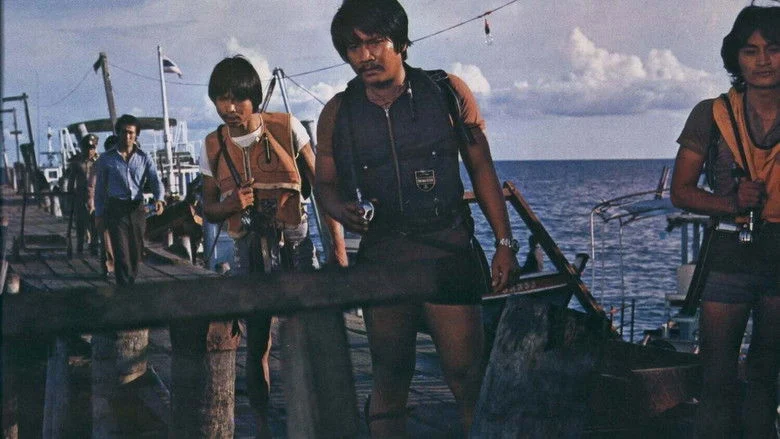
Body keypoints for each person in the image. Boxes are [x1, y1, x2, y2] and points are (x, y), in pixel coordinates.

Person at [316, 1, 519, 435]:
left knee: (467, 377)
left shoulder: (448, 92)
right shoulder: (337, 112)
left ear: (402, 43)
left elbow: (482, 168)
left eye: (375, 42)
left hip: (447, 250)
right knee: (390, 377)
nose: (365, 55)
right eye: (353, 47)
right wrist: (339, 210)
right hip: (384, 256)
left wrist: (504, 243)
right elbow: (325, 185)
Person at [199, 55, 347, 437]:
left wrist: (339, 252)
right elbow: (208, 208)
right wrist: (231, 205)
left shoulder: (286, 127)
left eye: (237, 98)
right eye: (221, 99)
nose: (229, 108)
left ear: (254, 97)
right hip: (247, 252)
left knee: (308, 337)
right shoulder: (212, 145)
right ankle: (263, 425)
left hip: (295, 247)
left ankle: (318, 422)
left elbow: (324, 191)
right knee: (256, 345)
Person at [670, 5, 779, 438]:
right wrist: (731, 202)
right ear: (736, 57)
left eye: (774, 49)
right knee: (716, 382)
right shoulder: (711, 114)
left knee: (766, 378)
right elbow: (681, 191)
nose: (763, 60)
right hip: (730, 255)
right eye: (751, 51)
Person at [94, 114, 165, 285]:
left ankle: (129, 283)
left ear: (136, 135)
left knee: (135, 253)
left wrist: (159, 199)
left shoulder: (144, 158)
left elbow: (155, 181)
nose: (127, 136)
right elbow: (100, 190)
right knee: (121, 253)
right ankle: (124, 289)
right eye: (124, 132)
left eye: (131, 133)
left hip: (136, 210)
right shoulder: (106, 159)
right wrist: (99, 214)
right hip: (116, 210)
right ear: (118, 133)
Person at [66, 133, 99, 253]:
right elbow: (71, 180)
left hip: (96, 197)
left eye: (92, 148)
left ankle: (94, 247)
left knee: (95, 223)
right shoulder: (77, 163)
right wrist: (70, 194)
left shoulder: (99, 162)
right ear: (83, 148)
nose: (90, 151)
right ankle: (80, 246)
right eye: (87, 148)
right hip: (80, 197)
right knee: (80, 223)